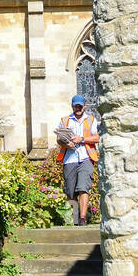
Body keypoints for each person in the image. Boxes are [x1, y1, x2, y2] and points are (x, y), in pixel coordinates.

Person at [55, 94, 99, 225]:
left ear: (84, 106)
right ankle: (76, 216)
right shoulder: (65, 120)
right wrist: (66, 144)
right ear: (72, 106)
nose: (78, 108)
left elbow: (96, 138)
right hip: (70, 158)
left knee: (83, 187)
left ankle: (82, 218)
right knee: (70, 190)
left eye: (80, 106)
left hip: (86, 157)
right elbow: (58, 139)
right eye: (76, 106)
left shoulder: (91, 120)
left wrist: (82, 139)